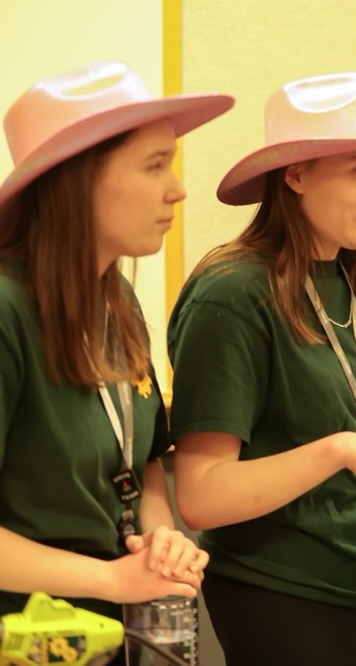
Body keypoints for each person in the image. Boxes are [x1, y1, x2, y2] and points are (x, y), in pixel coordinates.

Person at [166, 71, 356, 665]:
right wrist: (340, 449)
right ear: (296, 174)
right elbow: (202, 496)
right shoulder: (232, 293)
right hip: (281, 587)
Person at [0, 61, 233, 631]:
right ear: (76, 179)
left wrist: (159, 536)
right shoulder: (6, 309)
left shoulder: (117, 298)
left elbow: (146, 458)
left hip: (116, 619)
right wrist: (110, 579)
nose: (177, 190)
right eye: (155, 166)